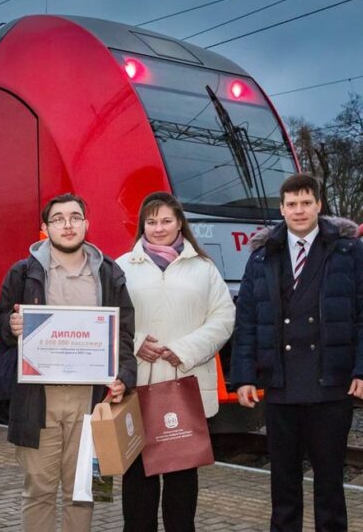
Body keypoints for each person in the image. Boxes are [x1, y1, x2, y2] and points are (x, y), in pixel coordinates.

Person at [231, 173, 363, 532]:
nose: (298, 210)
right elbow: (248, 320)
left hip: (331, 385)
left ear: (319, 205)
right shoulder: (262, 256)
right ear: (281, 209)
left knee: (329, 484)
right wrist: (243, 376)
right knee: (283, 486)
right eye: (291, 204)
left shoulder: (350, 252)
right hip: (281, 386)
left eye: (306, 203)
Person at [0, 193, 137, 532]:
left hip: (90, 400)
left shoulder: (109, 273)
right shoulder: (23, 272)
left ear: (86, 224)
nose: (68, 224)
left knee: (83, 491)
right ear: (45, 228)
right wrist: (11, 327)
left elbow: (125, 333)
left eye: (75, 217)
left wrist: (124, 377)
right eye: (58, 219)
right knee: (39, 491)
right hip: (38, 399)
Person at [115, 191, 235, 532]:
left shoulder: (204, 268)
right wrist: (137, 344)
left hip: (186, 383)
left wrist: (184, 349)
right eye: (151, 222)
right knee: (137, 476)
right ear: (142, 225)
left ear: (180, 222)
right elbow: (110, 318)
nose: (159, 228)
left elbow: (224, 318)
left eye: (166, 220)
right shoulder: (123, 265)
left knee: (182, 477)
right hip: (137, 384)